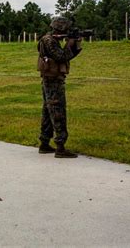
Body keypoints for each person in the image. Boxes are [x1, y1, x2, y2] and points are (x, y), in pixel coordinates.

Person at [37, 16, 82, 158]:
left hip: (51, 80)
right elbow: (61, 56)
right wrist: (70, 43)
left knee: (48, 112)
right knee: (57, 112)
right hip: (53, 81)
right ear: (61, 28)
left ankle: (44, 143)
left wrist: (75, 44)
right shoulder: (49, 41)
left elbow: (67, 56)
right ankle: (60, 147)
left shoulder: (50, 39)